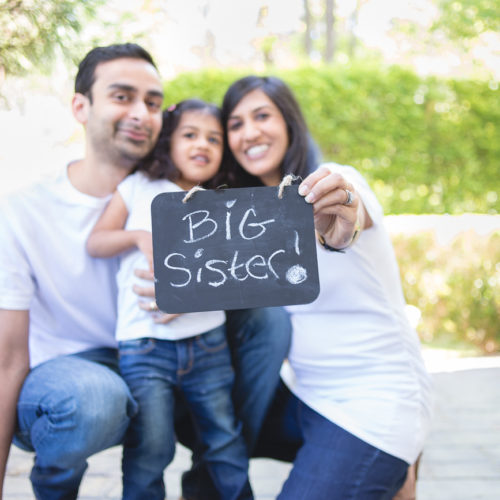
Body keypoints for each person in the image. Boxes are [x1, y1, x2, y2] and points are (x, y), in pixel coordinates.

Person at [0, 43, 290, 499]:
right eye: (122, 96)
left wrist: (195, 291)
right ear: (81, 106)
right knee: (105, 410)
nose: (141, 112)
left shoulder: (203, 194)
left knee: (268, 322)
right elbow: (7, 357)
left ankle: (212, 481)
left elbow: (249, 265)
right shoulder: (26, 209)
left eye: (153, 103)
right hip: (94, 368)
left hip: (195, 349)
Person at [215, 75, 433, 499]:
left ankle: (388, 457)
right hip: (305, 400)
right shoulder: (243, 219)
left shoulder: (333, 180)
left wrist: (340, 220)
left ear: (290, 123)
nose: (249, 132)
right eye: (235, 123)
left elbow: (347, 220)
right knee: (192, 405)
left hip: (372, 402)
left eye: (262, 116)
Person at [86, 99, 252, 500]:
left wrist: (194, 294)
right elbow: (96, 242)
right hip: (145, 346)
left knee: (223, 439)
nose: (203, 145)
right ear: (168, 143)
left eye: (214, 139)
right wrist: (136, 236)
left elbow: (238, 274)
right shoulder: (139, 187)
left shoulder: (222, 201)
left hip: (209, 344)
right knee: (150, 447)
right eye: (191, 135)